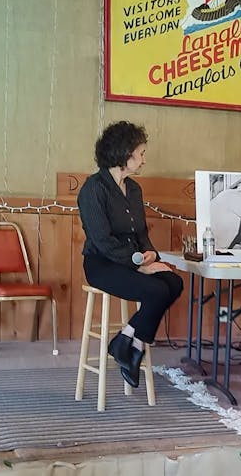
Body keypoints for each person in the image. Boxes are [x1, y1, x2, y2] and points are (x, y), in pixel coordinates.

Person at [77, 121, 183, 387]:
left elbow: (140, 233)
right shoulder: (93, 189)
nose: (144, 160)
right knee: (156, 291)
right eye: (141, 153)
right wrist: (139, 266)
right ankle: (129, 346)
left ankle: (128, 342)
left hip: (133, 260)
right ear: (124, 154)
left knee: (174, 281)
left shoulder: (134, 188)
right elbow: (102, 241)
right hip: (102, 264)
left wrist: (151, 256)